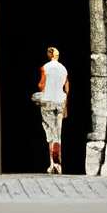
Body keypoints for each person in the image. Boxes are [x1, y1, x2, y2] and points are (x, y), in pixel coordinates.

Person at [34, 45, 69, 173]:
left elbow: (41, 85)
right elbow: (66, 88)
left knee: (50, 133)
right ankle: (59, 165)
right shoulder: (64, 69)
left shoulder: (45, 67)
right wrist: (66, 107)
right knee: (58, 133)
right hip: (60, 102)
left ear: (49, 55)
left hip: (48, 102)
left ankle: (52, 163)